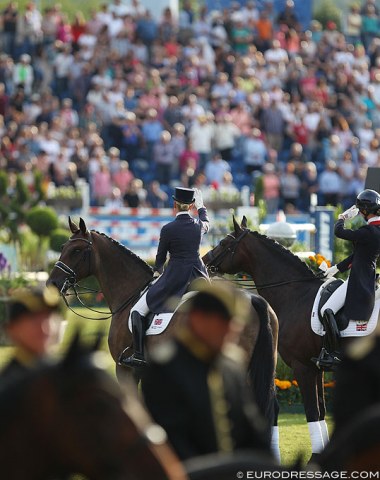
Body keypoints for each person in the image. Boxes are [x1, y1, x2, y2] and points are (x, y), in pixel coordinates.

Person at [141, 279, 272, 461]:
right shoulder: (164, 369)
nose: (232, 332)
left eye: (236, 324)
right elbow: (173, 448)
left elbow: (253, 433)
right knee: (137, 311)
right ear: (198, 318)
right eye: (225, 323)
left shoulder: (232, 368)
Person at [119, 187, 210, 368]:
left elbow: (160, 259)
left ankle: (138, 355)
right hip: (198, 276)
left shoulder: (168, 229)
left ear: (174, 205)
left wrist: (156, 271)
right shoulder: (198, 226)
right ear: (191, 205)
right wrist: (201, 208)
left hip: (175, 278)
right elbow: (207, 222)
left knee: (137, 310)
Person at [312, 189, 380, 370]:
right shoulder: (375, 230)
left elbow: (339, 232)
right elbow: (356, 256)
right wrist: (335, 269)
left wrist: (342, 217)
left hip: (359, 280)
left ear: (364, 210)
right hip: (365, 275)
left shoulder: (369, 231)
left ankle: (332, 354)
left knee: (327, 309)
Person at [1, 285, 61, 377]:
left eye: (48, 318)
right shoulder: (10, 385)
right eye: (34, 320)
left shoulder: (59, 373)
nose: (45, 328)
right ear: (12, 329)